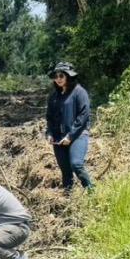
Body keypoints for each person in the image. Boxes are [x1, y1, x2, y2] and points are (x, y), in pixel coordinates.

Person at [45, 61, 95, 193]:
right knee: (66, 172)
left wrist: (70, 135)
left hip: (78, 135)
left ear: (68, 76)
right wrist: (49, 133)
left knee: (76, 164)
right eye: (56, 76)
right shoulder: (53, 97)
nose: (58, 79)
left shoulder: (79, 92)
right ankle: (69, 199)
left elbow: (83, 115)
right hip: (58, 139)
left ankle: (92, 193)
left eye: (61, 76)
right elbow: (49, 118)